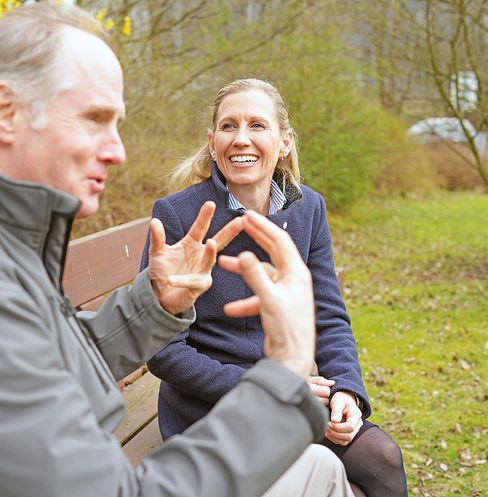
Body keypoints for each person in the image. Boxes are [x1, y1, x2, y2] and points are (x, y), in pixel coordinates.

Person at [0, 4, 355, 497]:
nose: (118, 150)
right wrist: (282, 375)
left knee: (323, 469)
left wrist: (156, 307)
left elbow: (37, 361)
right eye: (95, 119)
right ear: (5, 111)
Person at [142, 78, 408, 497]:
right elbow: (162, 351)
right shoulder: (179, 216)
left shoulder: (308, 208)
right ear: (212, 142)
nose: (241, 138)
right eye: (229, 126)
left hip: (296, 395)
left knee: (381, 459)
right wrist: (266, 385)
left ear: (284, 142)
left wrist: (346, 390)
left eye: (257, 125)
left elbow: (328, 314)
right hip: (214, 406)